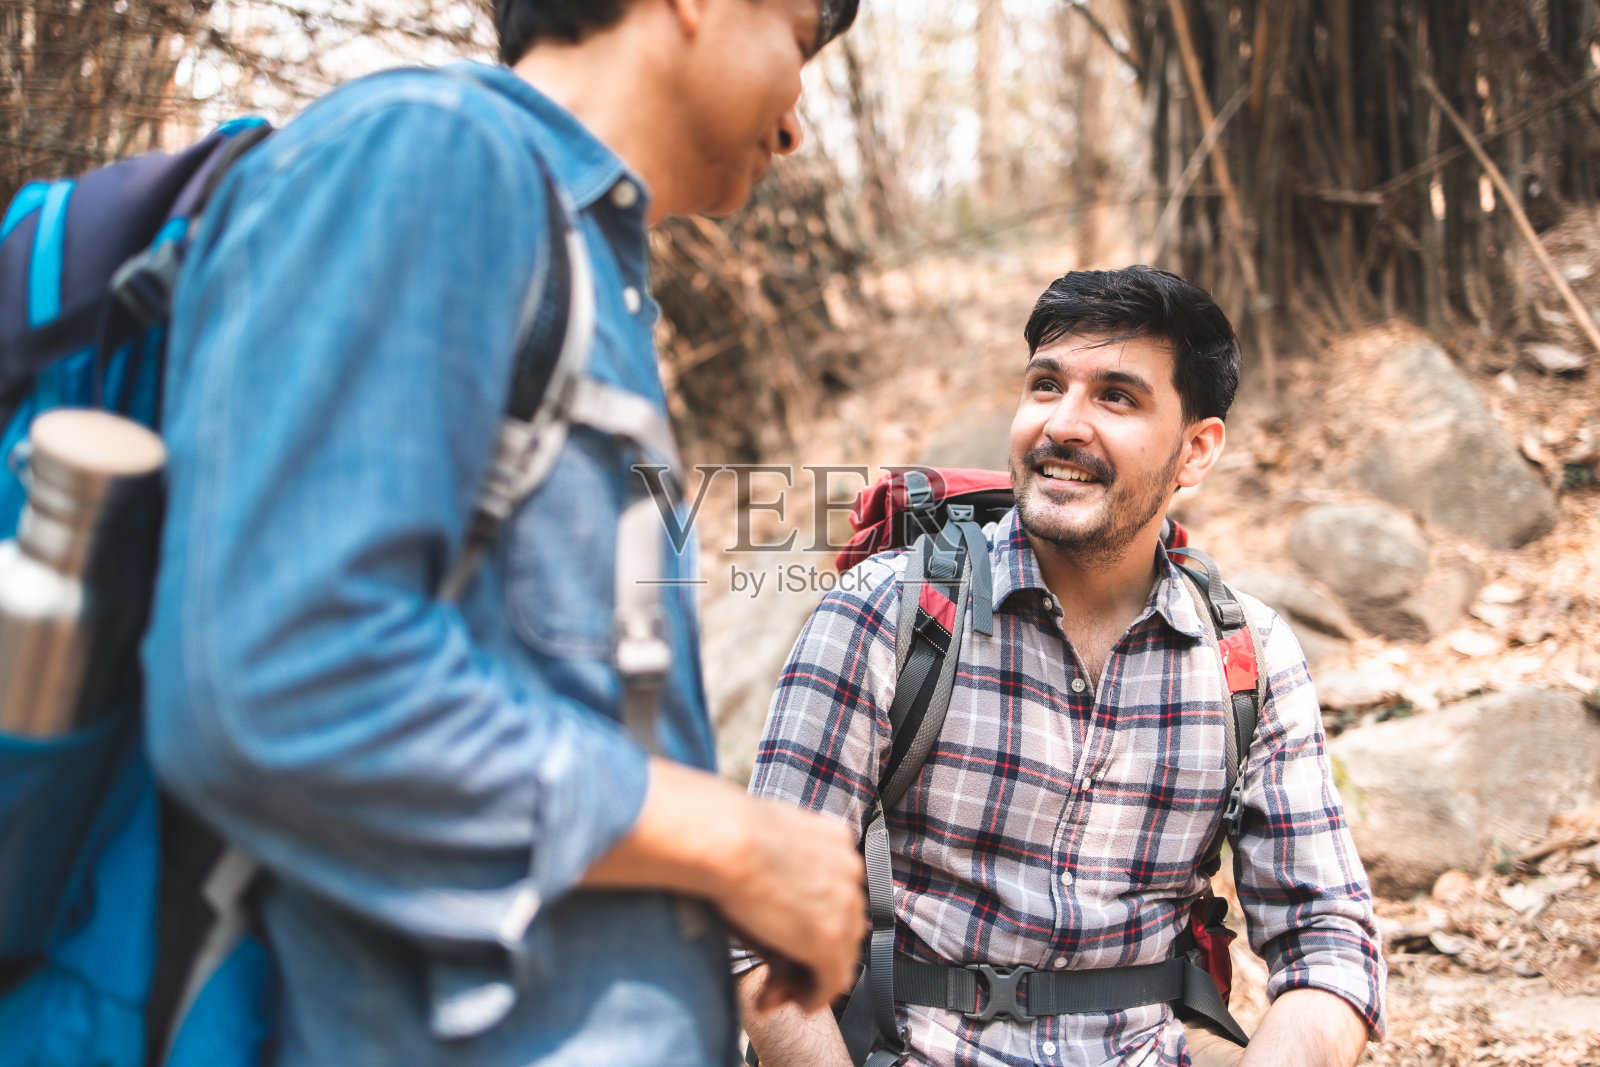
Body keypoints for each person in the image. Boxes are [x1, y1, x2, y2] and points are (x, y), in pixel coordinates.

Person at [142, 1, 866, 1064]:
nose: (796, 121)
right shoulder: (427, 151)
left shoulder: (586, 273)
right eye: (801, 43)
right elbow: (276, 673)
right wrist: (730, 839)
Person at [735, 266, 1387, 1067]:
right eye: (1047, 385)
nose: (1063, 425)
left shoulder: (1247, 657)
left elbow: (1328, 943)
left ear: (1196, 450)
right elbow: (758, 926)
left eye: (1117, 396)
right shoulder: (886, 615)